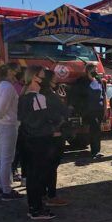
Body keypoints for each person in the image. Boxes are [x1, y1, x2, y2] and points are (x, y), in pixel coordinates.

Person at [18, 66, 65, 220]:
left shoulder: (24, 97)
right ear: (34, 78)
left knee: (32, 175)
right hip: (40, 140)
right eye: (42, 76)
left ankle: (34, 207)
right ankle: (37, 209)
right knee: (38, 176)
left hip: (28, 139)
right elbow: (45, 119)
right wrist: (53, 129)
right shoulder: (38, 98)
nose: (44, 79)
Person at [0, 62, 24, 200]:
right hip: (8, 125)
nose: (19, 74)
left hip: (3, 125)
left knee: (2, 159)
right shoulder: (8, 87)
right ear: (10, 72)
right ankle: (6, 191)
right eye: (18, 71)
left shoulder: (0, 86)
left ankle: (1, 187)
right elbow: (1, 107)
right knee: (7, 159)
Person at [40, 70, 69, 208]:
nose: (57, 81)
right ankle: (51, 195)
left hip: (45, 134)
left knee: (47, 166)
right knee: (51, 166)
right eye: (54, 79)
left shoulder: (42, 93)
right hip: (54, 133)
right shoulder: (50, 95)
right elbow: (58, 113)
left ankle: (44, 193)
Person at [70, 64, 107, 159]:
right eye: (94, 70)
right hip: (88, 110)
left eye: (96, 70)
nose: (96, 72)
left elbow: (103, 95)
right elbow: (75, 96)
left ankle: (96, 150)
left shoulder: (99, 81)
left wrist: (105, 109)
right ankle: (95, 151)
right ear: (88, 71)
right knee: (95, 128)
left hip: (98, 109)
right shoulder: (81, 82)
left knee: (97, 129)